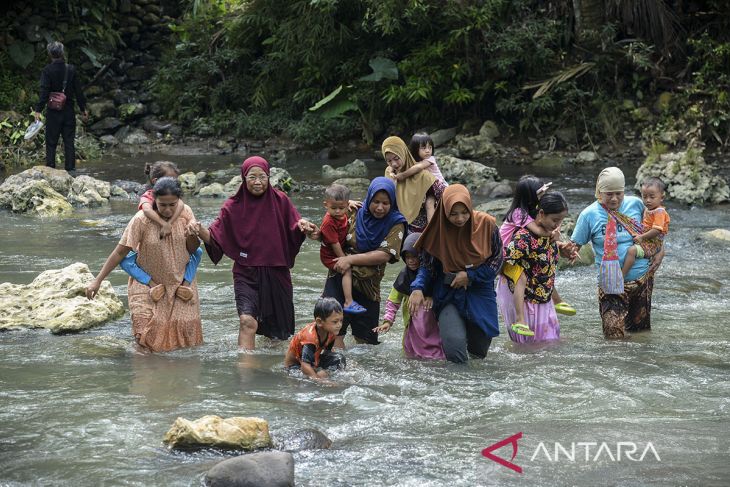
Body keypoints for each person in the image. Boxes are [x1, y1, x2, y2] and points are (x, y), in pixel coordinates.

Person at [188, 156, 318, 350]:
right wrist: (199, 230)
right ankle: (245, 374)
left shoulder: (281, 200)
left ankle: (270, 376)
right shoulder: (232, 206)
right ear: (243, 178)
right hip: (245, 273)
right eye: (252, 177)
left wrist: (304, 227)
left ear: (268, 177)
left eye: (262, 177)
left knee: (278, 335)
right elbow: (216, 239)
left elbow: (295, 225)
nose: (258, 182)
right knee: (247, 321)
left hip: (277, 272)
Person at [85, 177, 203, 352]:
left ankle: (179, 379)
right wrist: (98, 280)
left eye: (172, 204)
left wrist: (193, 234)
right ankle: (145, 378)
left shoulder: (185, 213)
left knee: (185, 344)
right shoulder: (141, 220)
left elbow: (194, 250)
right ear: (154, 199)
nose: (168, 210)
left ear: (179, 200)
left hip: (181, 286)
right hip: (146, 287)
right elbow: (120, 252)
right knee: (144, 339)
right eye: (163, 204)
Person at [410, 184, 503, 363]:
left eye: (464, 212)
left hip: (480, 290)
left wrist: (470, 276)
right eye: (453, 214)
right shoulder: (437, 231)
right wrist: (418, 287)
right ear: (444, 211)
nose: (460, 219)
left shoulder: (487, 225)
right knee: (454, 349)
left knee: (479, 350)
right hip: (448, 291)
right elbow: (427, 265)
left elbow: (497, 261)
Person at [569, 167, 665, 339]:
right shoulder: (588, 214)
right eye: (609, 194)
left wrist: (661, 250)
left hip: (642, 280)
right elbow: (575, 244)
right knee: (613, 338)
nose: (614, 199)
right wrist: (569, 251)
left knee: (640, 335)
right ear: (599, 192)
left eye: (618, 193)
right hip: (610, 284)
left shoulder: (636, 204)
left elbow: (656, 229)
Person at [322, 177, 407, 348]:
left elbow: (385, 254)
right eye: (375, 202)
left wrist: (349, 259)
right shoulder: (355, 211)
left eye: (385, 203)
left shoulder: (396, 223)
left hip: (368, 285)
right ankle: (337, 370)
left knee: (367, 341)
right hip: (339, 276)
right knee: (332, 332)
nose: (380, 207)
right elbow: (331, 224)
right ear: (369, 198)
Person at [119, 161, 202, 303]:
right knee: (126, 260)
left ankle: (185, 285)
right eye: (163, 204)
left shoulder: (175, 199)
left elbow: (181, 205)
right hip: (148, 242)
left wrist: (170, 223)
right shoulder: (147, 198)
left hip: (170, 250)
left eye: (176, 180)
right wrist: (163, 223)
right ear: (155, 182)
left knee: (198, 252)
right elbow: (146, 210)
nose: (174, 183)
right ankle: (152, 284)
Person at [500, 176, 576, 326]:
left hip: (517, 254)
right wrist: (553, 234)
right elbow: (539, 233)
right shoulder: (519, 213)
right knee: (521, 278)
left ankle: (557, 301)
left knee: (543, 267)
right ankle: (520, 319)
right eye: (541, 193)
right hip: (504, 256)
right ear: (531, 196)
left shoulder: (531, 212)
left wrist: (559, 243)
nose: (544, 196)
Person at [375, 232, 445, 359]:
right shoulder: (404, 276)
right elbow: (393, 300)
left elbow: (443, 293)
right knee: (412, 356)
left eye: (415, 256)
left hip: (434, 326)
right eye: (407, 257)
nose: (411, 261)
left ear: (423, 257)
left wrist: (432, 298)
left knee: (437, 357)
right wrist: (388, 321)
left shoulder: (433, 273)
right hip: (413, 327)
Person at [34, 41, 88, 172]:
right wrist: (83, 109)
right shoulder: (71, 69)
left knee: (51, 142)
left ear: (50, 54)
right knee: (69, 141)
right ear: (62, 53)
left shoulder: (47, 71)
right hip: (68, 111)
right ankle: (71, 171)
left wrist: (38, 110)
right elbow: (78, 91)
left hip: (53, 112)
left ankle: (51, 170)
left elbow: (44, 92)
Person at [383, 135, 446, 232]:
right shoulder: (389, 172)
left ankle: (433, 231)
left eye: (396, 158)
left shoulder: (424, 173)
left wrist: (403, 176)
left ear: (403, 153)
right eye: (389, 161)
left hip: (422, 229)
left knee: (429, 203)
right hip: (399, 226)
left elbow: (443, 194)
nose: (394, 164)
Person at [319, 183, 365, 314]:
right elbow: (335, 244)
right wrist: (344, 260)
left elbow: (341, 203)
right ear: (325, 205)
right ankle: (348, 302)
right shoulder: (329, 222)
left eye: (342, 207)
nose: (338, 211)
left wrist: (350, 202)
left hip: (339, 248)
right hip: (330, 255)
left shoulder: (341, 210)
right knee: (347, 271)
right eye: (334, 208)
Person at [284, 297, 346, 382]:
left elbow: (328, 352)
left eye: (341, 321)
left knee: (339, 358)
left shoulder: (331, 330)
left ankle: (321, 373)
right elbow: (304, 366)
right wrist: (320, 381)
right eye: (335, 322)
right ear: (319, 322)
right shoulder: (310, 338)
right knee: (311, 377)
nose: (339, 325)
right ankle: (319, 375)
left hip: (312, 360)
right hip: (295, 366)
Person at [621, 177, 670, 277]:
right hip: (648, 240)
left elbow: (656, 230)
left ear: (662, 197)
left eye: (652, 197)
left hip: (653, 244)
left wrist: (641, 237)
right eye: (644, 196)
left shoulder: (659, 212)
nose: (647, 200)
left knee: (632, 251)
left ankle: (622, 275)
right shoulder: (649, 209)